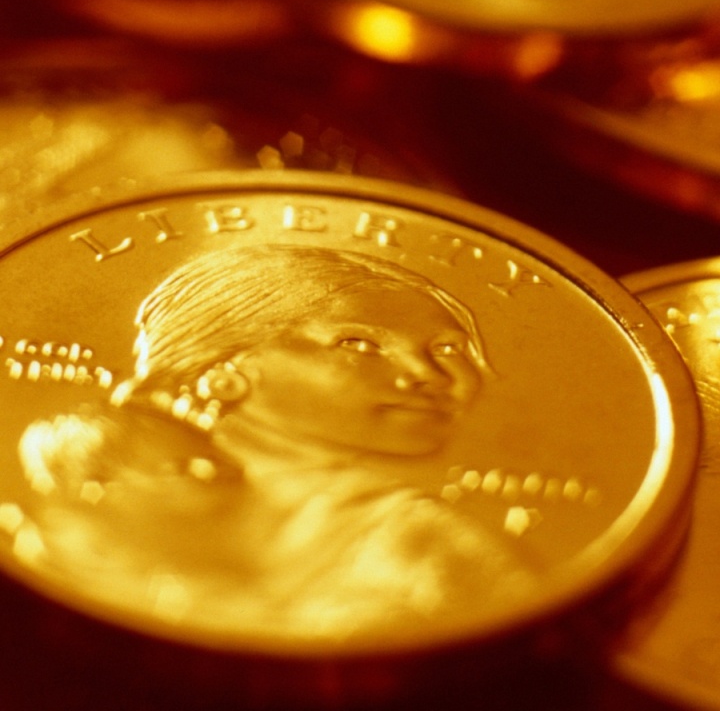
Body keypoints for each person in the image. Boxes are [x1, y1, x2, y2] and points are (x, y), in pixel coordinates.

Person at [15, 245, 537, 644]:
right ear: (225, 371)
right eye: (357, 343)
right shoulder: (84, 484)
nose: (427, 374)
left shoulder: (421, 539)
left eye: (447, 347)